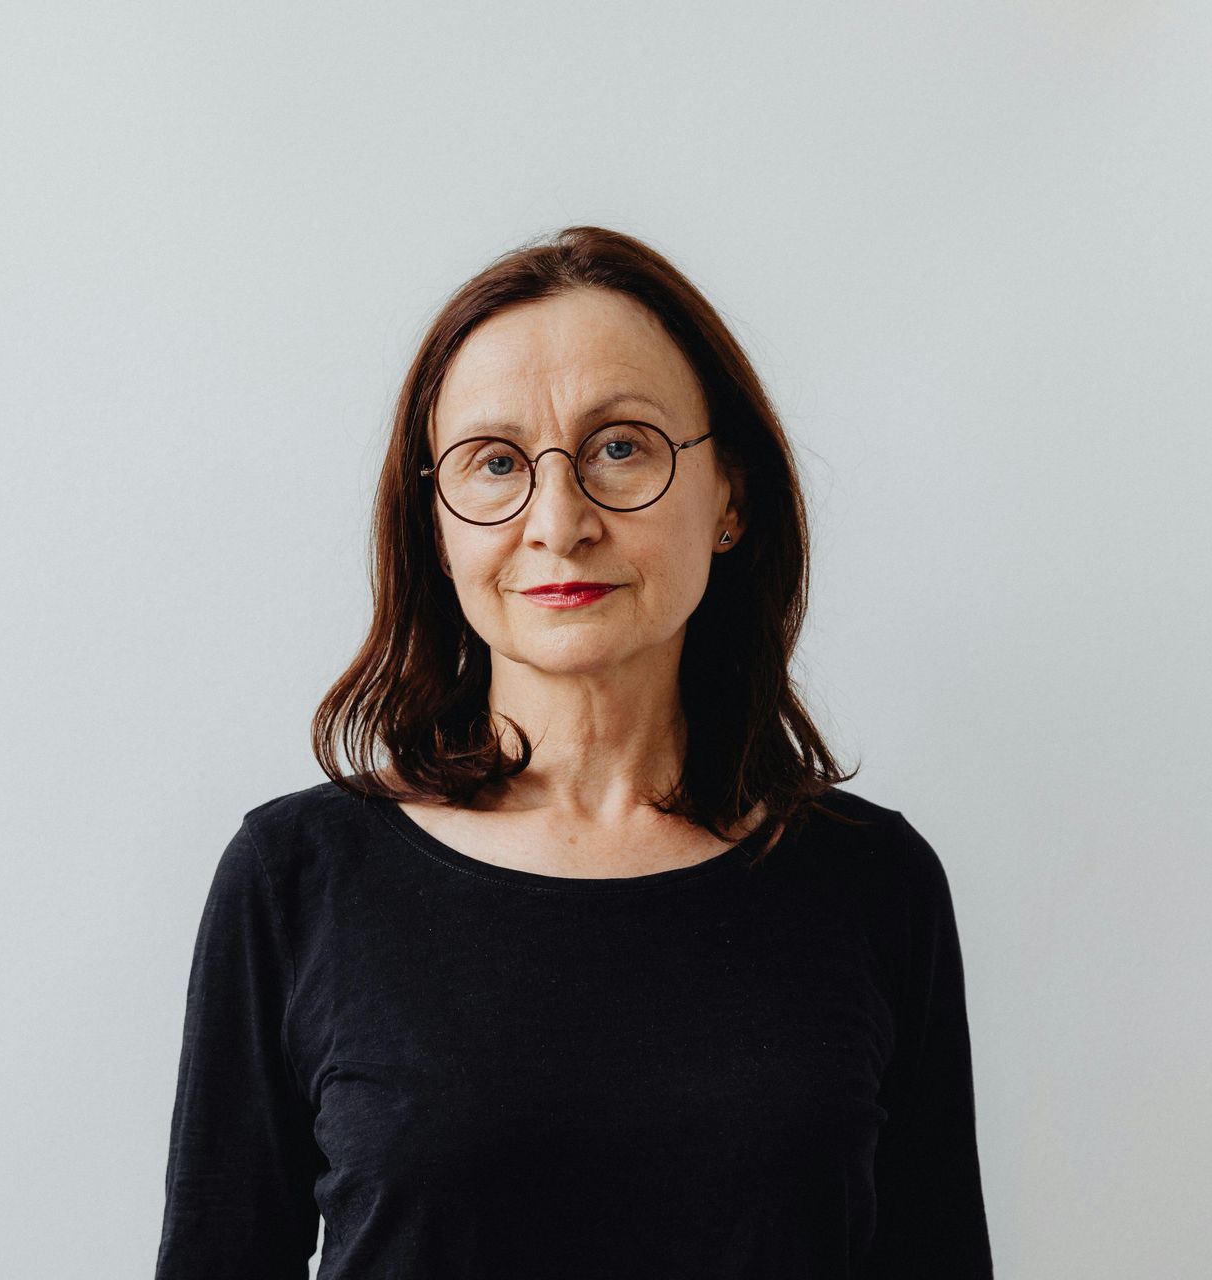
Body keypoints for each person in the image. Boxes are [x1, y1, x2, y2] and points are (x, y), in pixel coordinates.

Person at [153, 226, 994, 1277]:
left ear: (730, 493)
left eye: (621, 446)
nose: (559, 519)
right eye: (496, 463)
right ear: (438, 524)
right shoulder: (296, 880)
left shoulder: (874, 884)